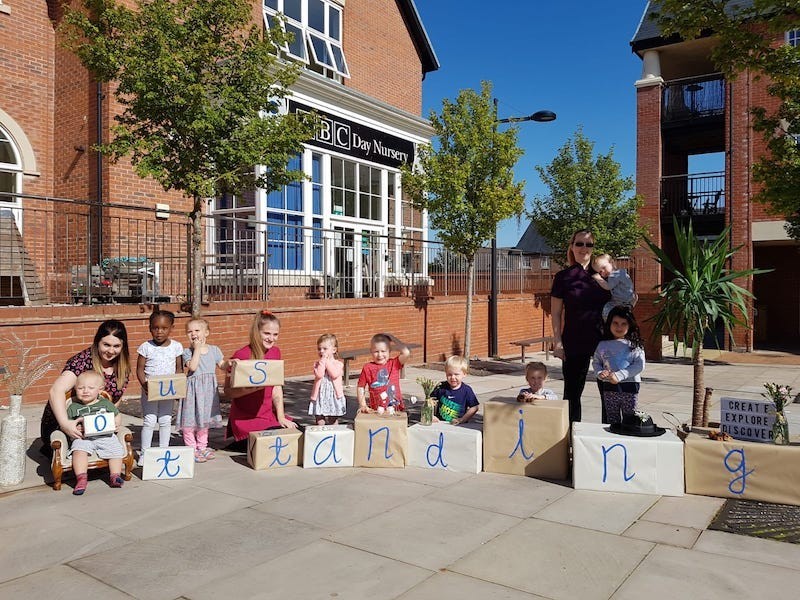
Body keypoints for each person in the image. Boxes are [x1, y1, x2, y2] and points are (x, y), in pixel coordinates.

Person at [40, 319, 131, 458]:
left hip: (96, 426)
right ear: (97, 342)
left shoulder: (122, 367)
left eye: (116, 346)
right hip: (67, 423)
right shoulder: (82, 361)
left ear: (123, 346)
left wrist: (114, 419)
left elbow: (115, 400)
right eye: (106, 344)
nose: (111, 351)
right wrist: (65, 424)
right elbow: (55, 391)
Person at [551, 229, 611, 423]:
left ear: (593, 248)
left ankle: (607, 437)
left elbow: (622, 300)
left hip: (604, 340)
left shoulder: (605, 275)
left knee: (608, 391)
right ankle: (570, 439)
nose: (584, 248)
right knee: (573, 392)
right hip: (574, 339)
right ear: (572, 246)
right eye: (579, 243)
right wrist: (558, 342)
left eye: (588, 244)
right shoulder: (563, 277)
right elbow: (557, 313)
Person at [224, 310, 296, 452]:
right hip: (246, 419)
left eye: (275, 334)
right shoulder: (242, 355)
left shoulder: (275, 352)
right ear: (257, 332)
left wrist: (281, 417)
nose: (271, 338)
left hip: (268, 415)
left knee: (299, 433)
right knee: (277, 443)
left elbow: (276, 387)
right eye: (267, 333)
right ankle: (241, 442)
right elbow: (228, 392)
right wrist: (249, 389)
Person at [66, 371, 126, 495]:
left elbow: (117, 414)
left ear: (100, 390)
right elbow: (68, 424)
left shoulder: (105, 404)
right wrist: (76, 428)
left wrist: (117, 424)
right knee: (78, 451)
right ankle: (81, 478)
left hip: (105, 436)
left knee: (116, 450)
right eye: (81, 388)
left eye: (90, 388)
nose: (85, 391)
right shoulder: (74, 407)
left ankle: (115, 475)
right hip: (84, 438)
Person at [137, 310, 183, 460]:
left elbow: (179, 369)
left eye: (164, 328)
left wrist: (178, 388)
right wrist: (145, 386)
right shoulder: (146, 347)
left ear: (171, 328)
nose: (159, 332)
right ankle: (145, 453)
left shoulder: (176, 347)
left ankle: (164, 451)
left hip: (168, 391)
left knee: (165, 420)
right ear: (150, 328)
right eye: (155, 328)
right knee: (149, 420)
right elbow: (139, 369)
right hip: (150, 390)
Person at [179, 318, 227, 463]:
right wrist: (197, 349)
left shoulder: (214, 350)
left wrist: (230, 363)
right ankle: (191, 448)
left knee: (204, 420)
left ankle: (202, 446)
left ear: (206, 333)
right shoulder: (187, 351)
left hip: (208, 391)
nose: (193, 334)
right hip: (192, 391)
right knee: (189, 420)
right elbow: (192, 367)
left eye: (197, 330)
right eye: (189, 331)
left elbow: (222, 365)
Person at [592, 306, 646, 425]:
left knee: (630, 419)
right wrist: (600, 373)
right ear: (609, 324)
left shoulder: (635, 345)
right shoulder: (602, 345)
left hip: (630, 387)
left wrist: (620, 375)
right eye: (615, 323)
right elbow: (597, 362)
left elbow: (639, 365)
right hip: (609, 388)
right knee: (612, 420)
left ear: (630, 325)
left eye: (623, 323)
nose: (619, 327)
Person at [357, 333, 411, 413]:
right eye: (376, 351)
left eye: (383, 351)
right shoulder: (367, 367)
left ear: (389, 351)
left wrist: (393, 338)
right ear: (371, 351)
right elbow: (360, 387)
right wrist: (363, 405)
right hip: (377, 409)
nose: (380, 355)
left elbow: (406, 352)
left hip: (396, 408)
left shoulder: (394, 363)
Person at [308, 333, 346, 426]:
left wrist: (327, 361)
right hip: (320, 396)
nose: (321, 351)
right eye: (319, 349)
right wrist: (322, 362)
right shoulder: (318, 364)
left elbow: (334, 374)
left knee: (333, 419)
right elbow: (319, 375)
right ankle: (321, 437)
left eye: (325, 349)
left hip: (333, 396)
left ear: (333, 350)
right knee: (319, 419)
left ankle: (335, 436)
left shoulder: (338, 364)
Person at [432, 355, 479, 425]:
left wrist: (463, 419)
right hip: (440, 424)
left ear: (464, 374)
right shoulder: (441, 387)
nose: (453, 377)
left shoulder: (466, 390)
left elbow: (474, 407)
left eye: (456, 374)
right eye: (449, 374)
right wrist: (431, 415)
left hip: (459, 425)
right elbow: (430, 401)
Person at [591, 253, 636, 320]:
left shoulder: (615, 275)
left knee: (607, 307)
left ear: (612, 262)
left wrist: (598, 278)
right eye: (600, 272)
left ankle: (607, 322)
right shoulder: (621, 273)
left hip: (622, 300)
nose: (603, 271)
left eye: (604, 267)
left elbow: (608, 286)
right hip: (627, 299)